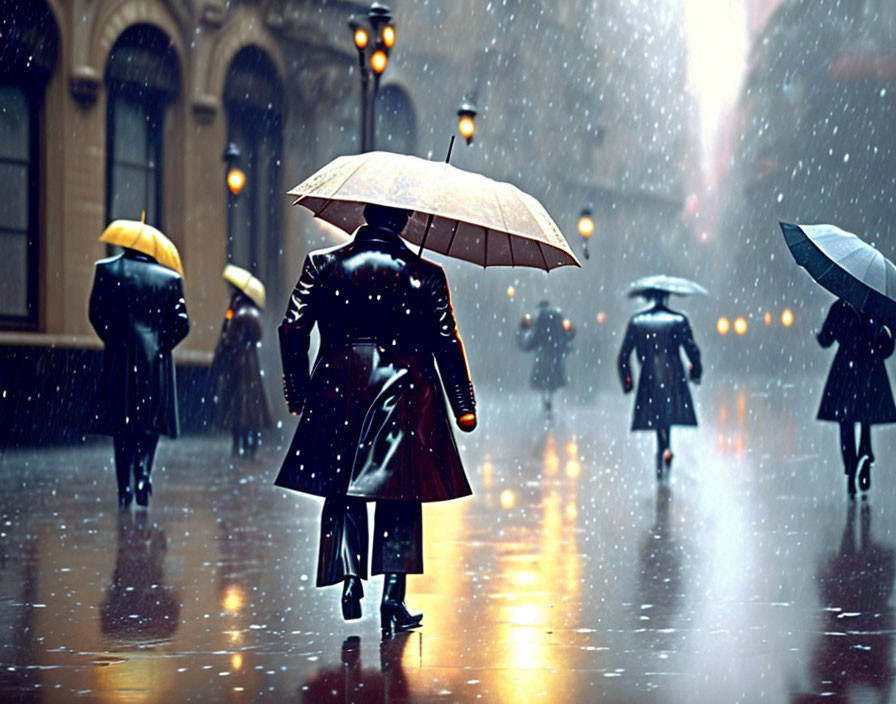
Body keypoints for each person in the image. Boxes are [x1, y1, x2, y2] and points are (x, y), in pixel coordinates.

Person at [275, 203, 477, 637]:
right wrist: (463, 403)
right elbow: (446, 341)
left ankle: (349, 577)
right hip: (404, 390)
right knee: (400, 492)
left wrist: (298, 390)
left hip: (337, 387)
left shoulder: (323, 265)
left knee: (343, 486)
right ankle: (392, 598)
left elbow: (292, 328)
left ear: (364, 216)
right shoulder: (425, 274)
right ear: (402, 222)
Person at [88, 246, 190, 508]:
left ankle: (124, 488)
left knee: (123, 425)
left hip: (120, 360)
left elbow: (96, 314)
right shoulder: (169, 278)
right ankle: (144, 473)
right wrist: (160, 345)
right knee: (150, 420)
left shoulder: (108, 270)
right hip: (154, 361)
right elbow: (182, 324)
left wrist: (115, 339)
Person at [617, 289, 701, 477]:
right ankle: (666, 447)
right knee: (668, 414)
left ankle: (662, 446)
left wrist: (628, 382)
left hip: (649, 375)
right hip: (673, 374)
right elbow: (692, 350)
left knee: (656, 415)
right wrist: (696, 372)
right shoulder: (679, 321)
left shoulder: (638, 321)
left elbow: (623, 356)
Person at [816, 298, 895, 496]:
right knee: (865, 416)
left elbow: (826, 340)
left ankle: (851, 467)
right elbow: (885, 349)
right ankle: (865, 453)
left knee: (846, 420)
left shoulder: (839, 308)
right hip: (870, 368)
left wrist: (820, 335)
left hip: (846, 370)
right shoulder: (876, 310)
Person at [212, 285, 272, 457]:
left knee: (240, 405)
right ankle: (247, 444)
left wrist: (230, 322)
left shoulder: (238, 314)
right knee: (247, 406)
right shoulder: (251, 313)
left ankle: (242, 444)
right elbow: (257, 335)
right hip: (248, 363)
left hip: (240, 364)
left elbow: (229, 337)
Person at [517, 300, 576, 417]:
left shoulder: (538, 318)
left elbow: (534, 336)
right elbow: (568, 334)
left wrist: (527, 342)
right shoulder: (557, 317)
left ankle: (545, 400)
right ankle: (549, 399)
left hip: (543, 352)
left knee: (542, 379)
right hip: (555, 353)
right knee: (553, 379)